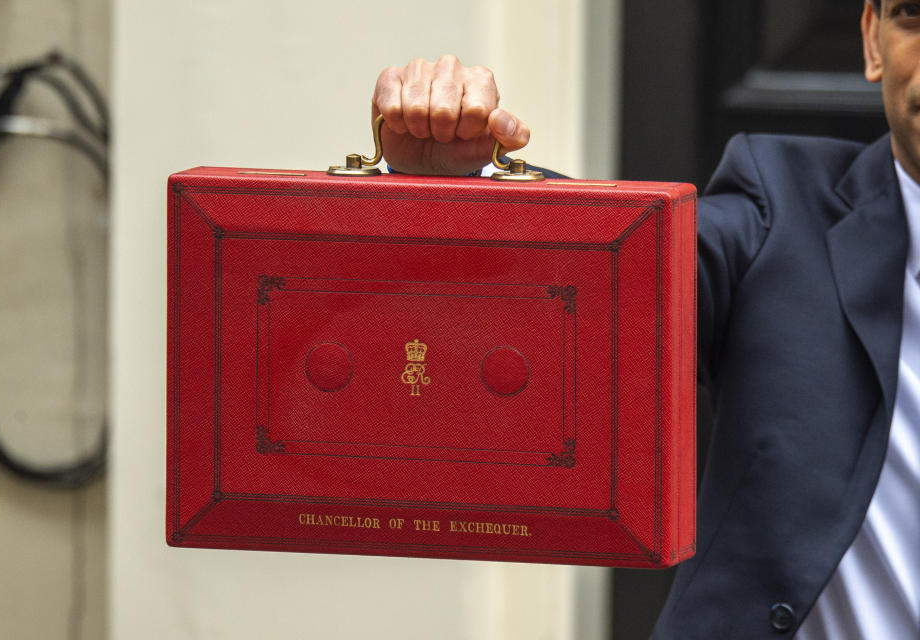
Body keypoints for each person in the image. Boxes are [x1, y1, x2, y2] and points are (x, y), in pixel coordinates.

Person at [371, 1, 919, 638]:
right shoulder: (784, 208)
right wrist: (466, 179)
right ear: (872, 41)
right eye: (912, 14)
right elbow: (607, 275)